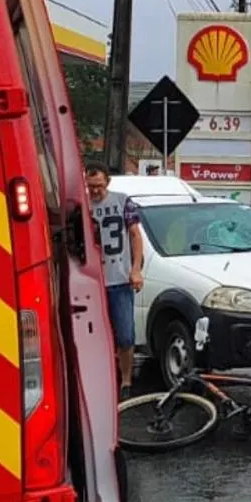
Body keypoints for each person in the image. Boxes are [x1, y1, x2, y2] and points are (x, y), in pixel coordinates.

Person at [85, 162, 144, 400]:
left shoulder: (122, 201)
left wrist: (136, 269)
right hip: (93, 281)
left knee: (125, 334)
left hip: (118, 278)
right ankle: (101, 378)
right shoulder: (82, 205)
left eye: (99, 186)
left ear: (107, 182)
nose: (95, 191)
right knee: (97, 334)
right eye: (91, 187)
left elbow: (135, 234)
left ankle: (126, 380)